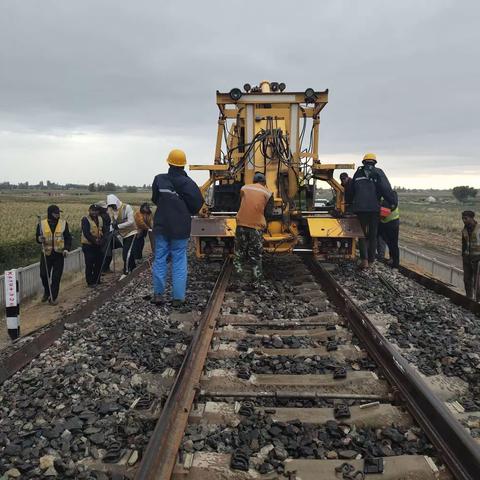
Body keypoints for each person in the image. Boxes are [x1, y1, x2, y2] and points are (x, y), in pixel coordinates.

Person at [151, 149, 204, 306]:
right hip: (180, 227)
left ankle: (158, 295)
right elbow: (197, 205)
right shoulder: (189, 184)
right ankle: (178, 298)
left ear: (168, 163)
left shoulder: (159, 179)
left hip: (161, 225)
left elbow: (155, 199)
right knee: (179, 259)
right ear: (183, 165)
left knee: (160, 258)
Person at [345, 153, 396, 269]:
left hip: (360, 209)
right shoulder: (379, 172)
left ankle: (364, 260)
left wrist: (349, 204)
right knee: (373, 235)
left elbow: (350, 191)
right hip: (374, 209)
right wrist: (392, 202)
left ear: (363, 162)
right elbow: (386, 188)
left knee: (362, 235)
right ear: (374, 162)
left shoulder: (358, 173)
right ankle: (372, 260)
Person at [234, 172, 273, 282]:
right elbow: (269, 213)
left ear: (254, 181)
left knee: (239, 252)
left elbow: (239, 204)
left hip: (241, 224)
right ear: (264, 182)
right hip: (256, 227)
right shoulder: (268, 193)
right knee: (255, 255)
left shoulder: (244, 188)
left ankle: (238, 277)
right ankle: (257, 280)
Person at [36, 205, 72, 305]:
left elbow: (68, 238)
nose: (58, 215)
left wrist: (66, 249)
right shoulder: (41, 224)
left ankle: (53, 297)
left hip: (59, 254)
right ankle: (47, 292)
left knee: (56, 277)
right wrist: (40, 239)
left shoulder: (63, 223)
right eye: (56, 213)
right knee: (43, 275)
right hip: (46, 254)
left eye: (58, 213)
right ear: (50, 213)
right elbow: (37, 238)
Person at [107, 194, 137, 279]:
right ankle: (133, 268)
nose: (112, 207)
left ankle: (126, 272)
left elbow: (131, 221)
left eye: (113, 205)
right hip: (123, 234)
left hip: (131, 232)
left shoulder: (127, 207)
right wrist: (111, 231)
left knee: (125, 254)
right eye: (110, 206)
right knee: (129, 253)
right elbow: (112, 222)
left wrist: (118, 226)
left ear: (116, 202)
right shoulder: (112, 210)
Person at [81, 204, 104, 286]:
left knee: (99, 262)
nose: (94, 212)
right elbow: (86, 233)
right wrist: (95, 240)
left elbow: (101, 230)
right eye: (93, 210)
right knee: (89, 263)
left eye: (96, 211)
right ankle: (90, 282)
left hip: (98, 245)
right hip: (88, 245)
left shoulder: (100, 218)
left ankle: (97, 279)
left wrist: (101, 240)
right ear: (89, 210)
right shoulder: (85, 219)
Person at [461, 210, 480, 301]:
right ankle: (469, 298)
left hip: (477, 259)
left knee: (478, 282)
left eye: (465, 218)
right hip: (467, 258)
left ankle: (478, 300)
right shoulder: (464, 230)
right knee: (467, 279)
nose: (464, 220)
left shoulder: (479, 229)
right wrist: (463, 255)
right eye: (463, 218)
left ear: (472, 218)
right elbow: (464, 244)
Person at [378, 192, 400, 268]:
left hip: (391, 223)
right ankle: (391, 259)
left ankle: (395, 264)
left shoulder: (388, 198)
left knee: (392, 243)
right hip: (389, 222)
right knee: (389, 242)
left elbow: (383, 215)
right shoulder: (389, 195)